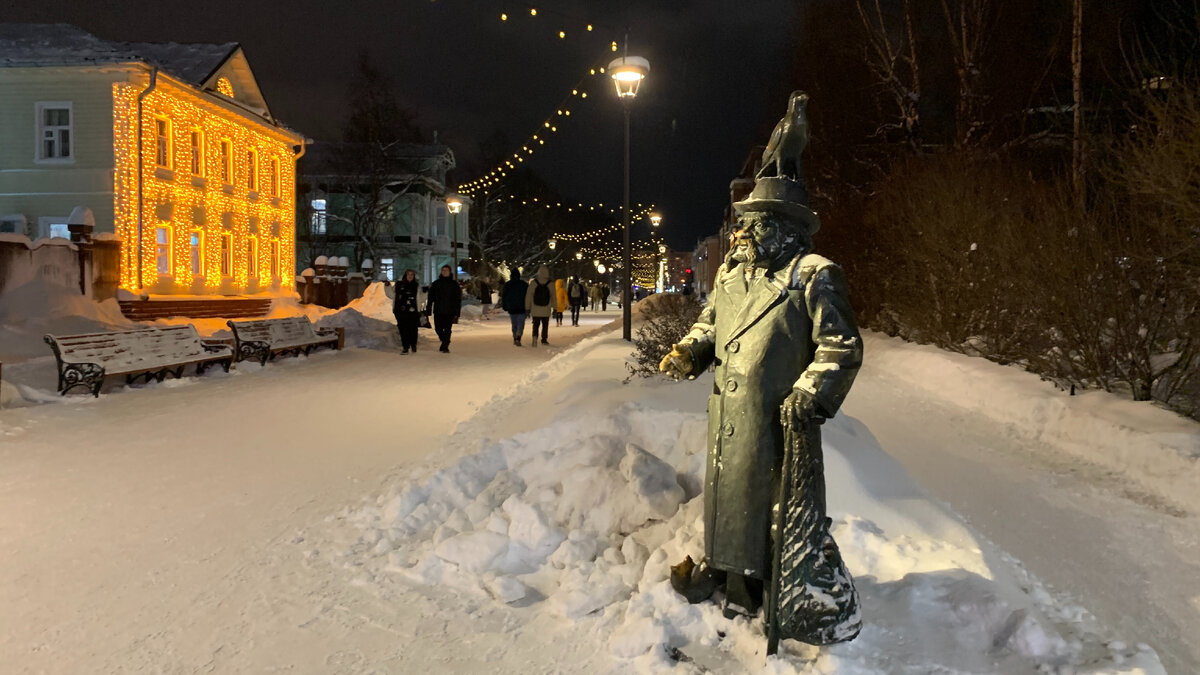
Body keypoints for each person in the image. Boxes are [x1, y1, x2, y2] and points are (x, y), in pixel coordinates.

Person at [659, 96, 863, 649]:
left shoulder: (813, 275)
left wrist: (809, 393)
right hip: (730, 412)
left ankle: (768, 585)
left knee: (768, 506)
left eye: (756, 223)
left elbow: (841, 346)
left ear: (786, 226)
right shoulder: (731, 274)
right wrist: (689, 352)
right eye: (744, 222)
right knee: (727, 497)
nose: (744, 232)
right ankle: (723, 573)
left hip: (776, 419)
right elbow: (710, 324)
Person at [425, 265, 462, 353]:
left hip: (450, 311)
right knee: (438, 329)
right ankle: (445, 340)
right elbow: (431, 298)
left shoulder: (454, 284)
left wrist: (457, 313)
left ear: (450, 272)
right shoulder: (436, 284)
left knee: (448, 329)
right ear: (441, 272)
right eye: (443, 270)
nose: (445, 272)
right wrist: (428, 309)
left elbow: (458, 299)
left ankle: (445, 346)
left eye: (446, 270)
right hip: (438, 310)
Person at [392, 268, 421, 354]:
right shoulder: (399, 285)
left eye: (412, 275)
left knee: (413, 329)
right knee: (403, 329)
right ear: (405, 275)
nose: (410, 276)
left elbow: (420, 298)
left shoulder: (416, 286)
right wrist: (386, 285)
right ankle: (405, 347)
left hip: (413, 311)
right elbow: (391, 294)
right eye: (408, 274)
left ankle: (413, 344)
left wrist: (425, 292)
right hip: (400, 311)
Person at [525, 265, 554, 346]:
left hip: (535, 308)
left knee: (536, 324)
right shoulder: (551, 284)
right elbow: (553, 297)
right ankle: (544, 339)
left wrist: (527, 308)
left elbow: (529, 296)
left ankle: (534, 336)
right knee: (545, 324)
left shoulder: (534, 283)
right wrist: (555, 308)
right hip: (546, 308)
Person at [500, 271, 529, 346]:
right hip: (522, 307)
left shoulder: (508, 285)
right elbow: (528, 297)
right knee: (521, 323)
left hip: (512, 307)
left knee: (514, 323)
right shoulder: (524, 284)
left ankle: (515, 336)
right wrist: (528, 307)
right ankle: (518, 336)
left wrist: (505, 306)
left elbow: (504, 296)